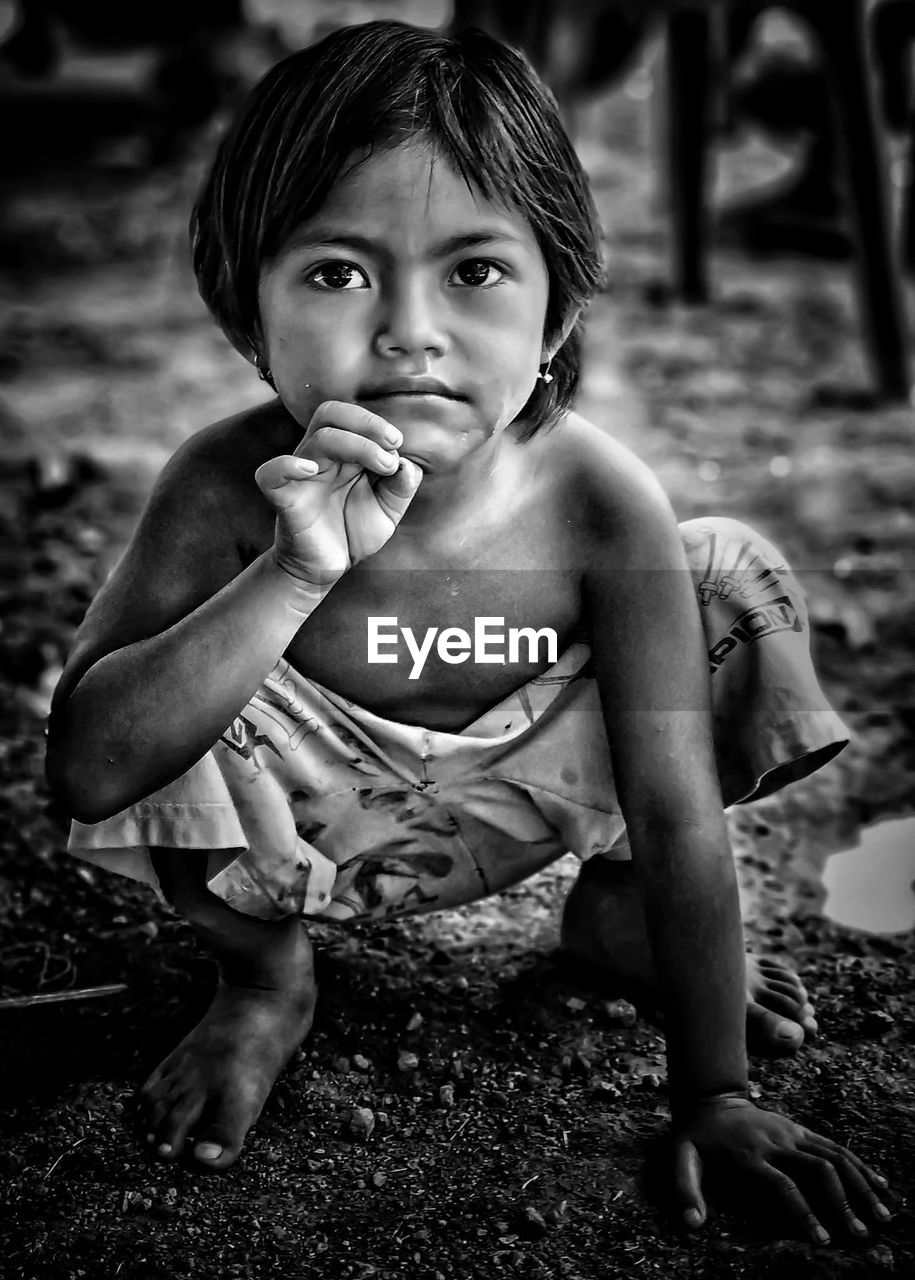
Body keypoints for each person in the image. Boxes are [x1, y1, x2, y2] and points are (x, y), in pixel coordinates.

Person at [47, 19, 891, 1245]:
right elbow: (89, 765)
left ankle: (613, 913)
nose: (410, 329)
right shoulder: (228, 488)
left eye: (476, 271)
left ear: (555, 318)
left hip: (527, 801)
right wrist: (288, 577)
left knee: (727, 575)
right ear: (249, 319)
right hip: (307, 834)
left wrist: (716, 1093)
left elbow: (675, 804)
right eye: (336, 273)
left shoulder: (600, 504)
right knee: (170, 675)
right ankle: (264, 977)